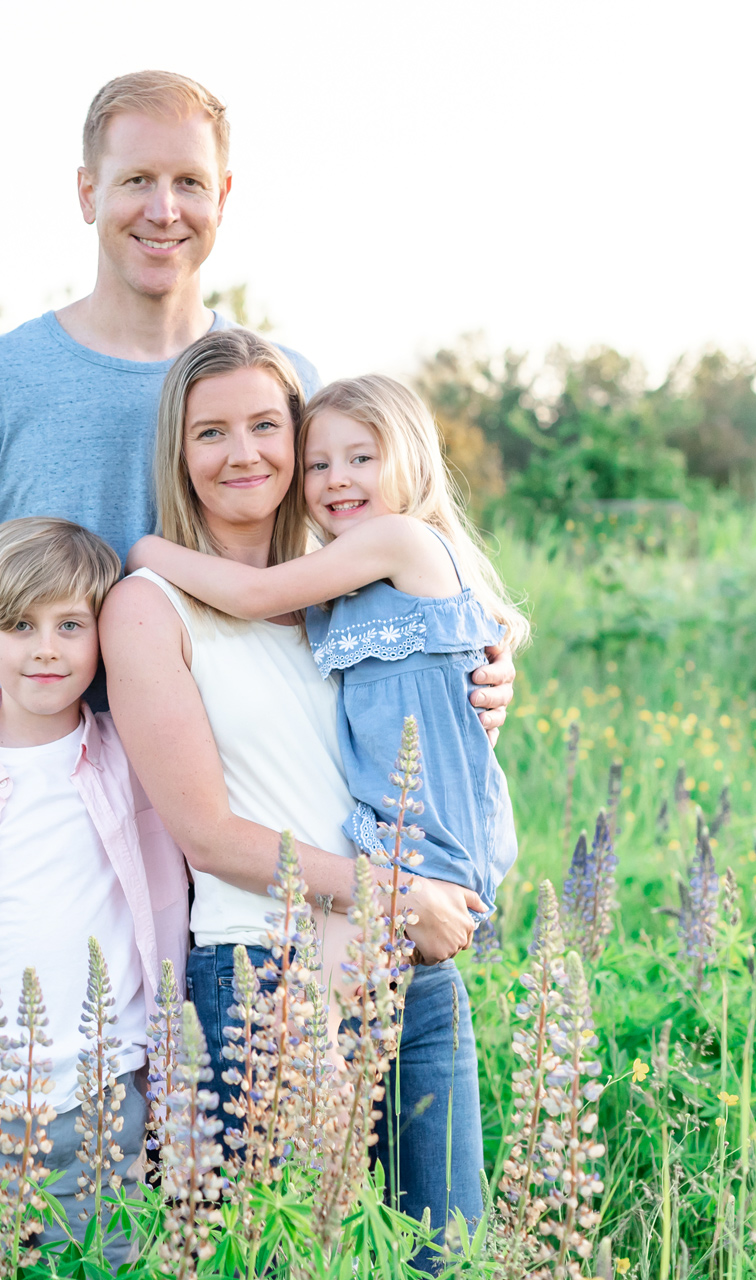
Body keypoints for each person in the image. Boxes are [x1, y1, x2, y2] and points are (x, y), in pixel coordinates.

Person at [0, 69, 515, 910]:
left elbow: (375, 572)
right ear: (86, 192)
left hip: (265, 810)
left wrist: (473, 667)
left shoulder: (286, 387)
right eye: (136, 180)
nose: (163, 210)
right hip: (43, 805)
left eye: (188, 183)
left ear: (223, 195)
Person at [100, 329, 486, 1261]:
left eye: (269, 426)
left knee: (447, 1257)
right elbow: (208, 832)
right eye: (211, 433)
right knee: (293, 1259)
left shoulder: (357, 582)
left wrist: (489, 673)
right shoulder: (150, 603)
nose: (245, 454)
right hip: (264, 981)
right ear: (178, 454)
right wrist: (395, 892)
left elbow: (432, 723)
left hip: (413, 969)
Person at [0, 517, 188, 1265]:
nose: (46, 648)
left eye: (70, 625)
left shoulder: (128, 755)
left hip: (106, 1084)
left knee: (105, 1255)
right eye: (21, 625)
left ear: (101, 640)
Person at [126, 373, 527, 922]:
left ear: (411, 461)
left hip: (430, 831)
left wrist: (147, 548)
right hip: (384, 854)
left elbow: (254, 594)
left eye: (362, 459)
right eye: (319, 465)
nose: (337, 480)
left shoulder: (396, 539)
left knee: (343, 991)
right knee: (344, 987)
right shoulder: (344, 590)